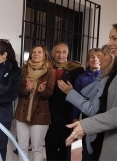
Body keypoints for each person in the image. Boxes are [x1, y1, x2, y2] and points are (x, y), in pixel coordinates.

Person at [65, 23, 117, 161]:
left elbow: (95, 109)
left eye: (115, 38)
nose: (98, 58)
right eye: (110, 38)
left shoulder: (106, 79)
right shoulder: (94, 77)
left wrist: (70, 92)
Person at [14, 45, 55, 161]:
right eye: (34, 52)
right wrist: (28, 89)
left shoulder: (50, 71)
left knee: (37, 149)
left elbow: (49, 93)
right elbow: (19, 92)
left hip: (40, 115)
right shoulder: (23, 70)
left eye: (39, 52)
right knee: (22, 147)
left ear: (45, 55)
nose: (36, 54)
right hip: (22, 113)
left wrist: (38, 90)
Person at [45, 42, 84, 161]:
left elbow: (80, 91)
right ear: (53, 54)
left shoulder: (77, 69)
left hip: (67, 114)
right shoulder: (47, 68)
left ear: (68, 53)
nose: (60, 55)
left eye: (63, 52)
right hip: (49, 113)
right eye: (57, 52)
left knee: (65, 145)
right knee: (50, 144)